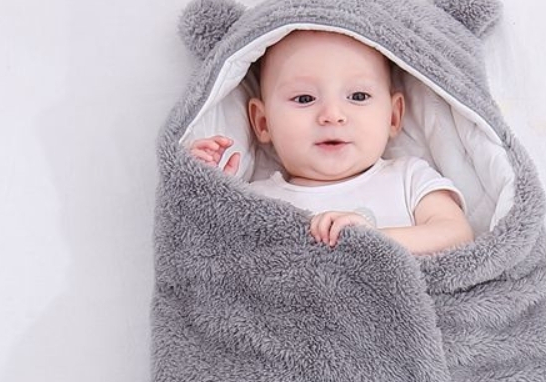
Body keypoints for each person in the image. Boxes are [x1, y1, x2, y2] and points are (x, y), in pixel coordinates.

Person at [187, 29, 474, 256]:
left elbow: (457, 234)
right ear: (263, 123)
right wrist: (208, 193)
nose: (332, 115)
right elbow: (216, 259)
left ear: (393, 116)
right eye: (304, 99)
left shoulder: (408, 177)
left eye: (358, 96)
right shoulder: (257, 199)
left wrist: (377, 240)